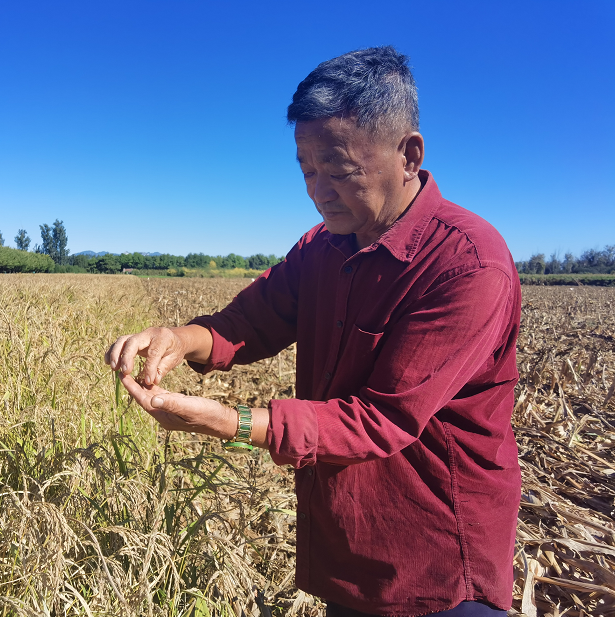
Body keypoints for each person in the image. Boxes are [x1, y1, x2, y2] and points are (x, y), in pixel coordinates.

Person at [105, 46, 521, 617]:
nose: (318, 191)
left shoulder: (468, 265)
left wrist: (229, 423)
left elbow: (382, 418)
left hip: (437, 563)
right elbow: (248, 323)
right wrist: (179, 339)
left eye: (340, 170)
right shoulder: (322, 248)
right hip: (346, 545)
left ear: (409, 154)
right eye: (306, 171)